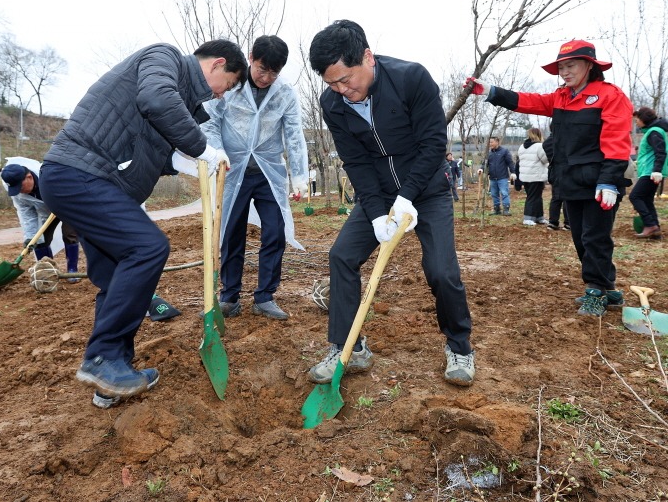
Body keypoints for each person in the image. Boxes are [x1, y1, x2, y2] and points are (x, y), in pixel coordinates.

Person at [38, 40, 247, 406]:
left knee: (114, 277)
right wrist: (203, 148)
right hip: (81, 174)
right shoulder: (163, 58)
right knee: (148, 247)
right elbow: (156, 100)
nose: (221, 95)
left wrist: (189, 161)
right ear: (217, 65)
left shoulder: (181, 99)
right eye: (227, 84)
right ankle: (102, 358)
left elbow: (152, 149)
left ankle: (113, 375)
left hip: (87, 180)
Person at [306, 20, 475, 387]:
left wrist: (408, 197)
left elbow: (433, 145)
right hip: (378, 195)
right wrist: (379, 210)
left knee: (442, 271)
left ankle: (459, 346)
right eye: (331, 83)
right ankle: (347, 347)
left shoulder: (411, 79)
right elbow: (356, 161)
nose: (342, 89)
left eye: (346, 79)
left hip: (426, 191)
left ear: (367, 57)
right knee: (342, 256)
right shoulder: (332, 104)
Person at [465, 39, 633, 316]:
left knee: (595, 237)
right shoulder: (561, 97)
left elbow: (616, 140)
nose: (565, 72)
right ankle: (608, 289)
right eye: (561, 67)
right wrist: (490, 91)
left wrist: (608, 180)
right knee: (581, 237)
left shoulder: (609, 95)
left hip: (599, 182)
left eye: (571, 65)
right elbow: (527, 101)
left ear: (589, 65)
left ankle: (595, 290)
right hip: (570, 180)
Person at [201, 35, 309, 321]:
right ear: (251, 58)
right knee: (230, 233)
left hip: (268, 173)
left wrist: (299, 175)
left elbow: (294, 135)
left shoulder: (285, 93)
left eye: (274, 72)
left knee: (274, 233)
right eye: (262, 69)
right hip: (231, 170)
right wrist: (218, 152)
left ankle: (264, 297)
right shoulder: (230, 85)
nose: (266, 77)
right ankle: (229, 297)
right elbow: (210, 121)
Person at [0, 160, 83, 275]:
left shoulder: (50, 176)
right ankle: (48, 271)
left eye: (20, 186)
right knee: (39, 240)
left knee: (69, 234)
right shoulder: (17, 192)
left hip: (67, 206)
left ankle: (72, 270)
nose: (19, 191)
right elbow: (26, 212)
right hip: (46, 212)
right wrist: (30, 237)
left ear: (29, 177)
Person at [630, 106, 667, 239]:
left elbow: (660, 152)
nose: (636, 122)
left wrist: (656, 170)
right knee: (646, 199)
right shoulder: (652, 131)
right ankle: (655, 230)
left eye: (637, 120)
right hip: (650, 171)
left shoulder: (654, 132)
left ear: (644, 119)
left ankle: (650, 225)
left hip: (651, 172)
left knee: (635, 196)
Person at [517, 127, 549, 226]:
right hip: (536, 175)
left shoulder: (522, 146)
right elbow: (545, 159)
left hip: (525, 176)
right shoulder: (539, 146)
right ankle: (528, 217)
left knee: (536, 196)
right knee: (533, 197)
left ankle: (539, 217)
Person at [477, 137, 515, 215]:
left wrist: (513, 172)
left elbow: (510, 163)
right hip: (493, 178)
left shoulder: (504, 151)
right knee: (494, 194)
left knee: (504, 193)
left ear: (497, 142)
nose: (490, 144)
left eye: (492, 142)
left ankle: (506, 209)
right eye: (489, 142)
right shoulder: (489, 154)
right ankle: (497, 209)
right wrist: (481, 169)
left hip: (502, 177)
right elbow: (485, 164)